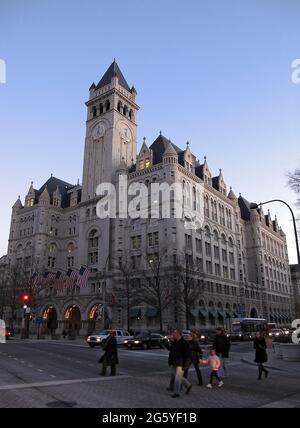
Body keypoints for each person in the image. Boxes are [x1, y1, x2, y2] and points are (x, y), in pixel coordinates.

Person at [167, 329, 192, 398]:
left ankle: (176, 393)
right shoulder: (175, 342)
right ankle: (188, 385)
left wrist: (185, 365)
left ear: (178, 334)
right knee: (177, 376)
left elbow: (188, 356)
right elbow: (171, 351)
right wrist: (164, 342)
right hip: (174, 362)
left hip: (180, 363)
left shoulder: (184, 343)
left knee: (177, 378)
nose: (173, 335)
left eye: (174, 334)